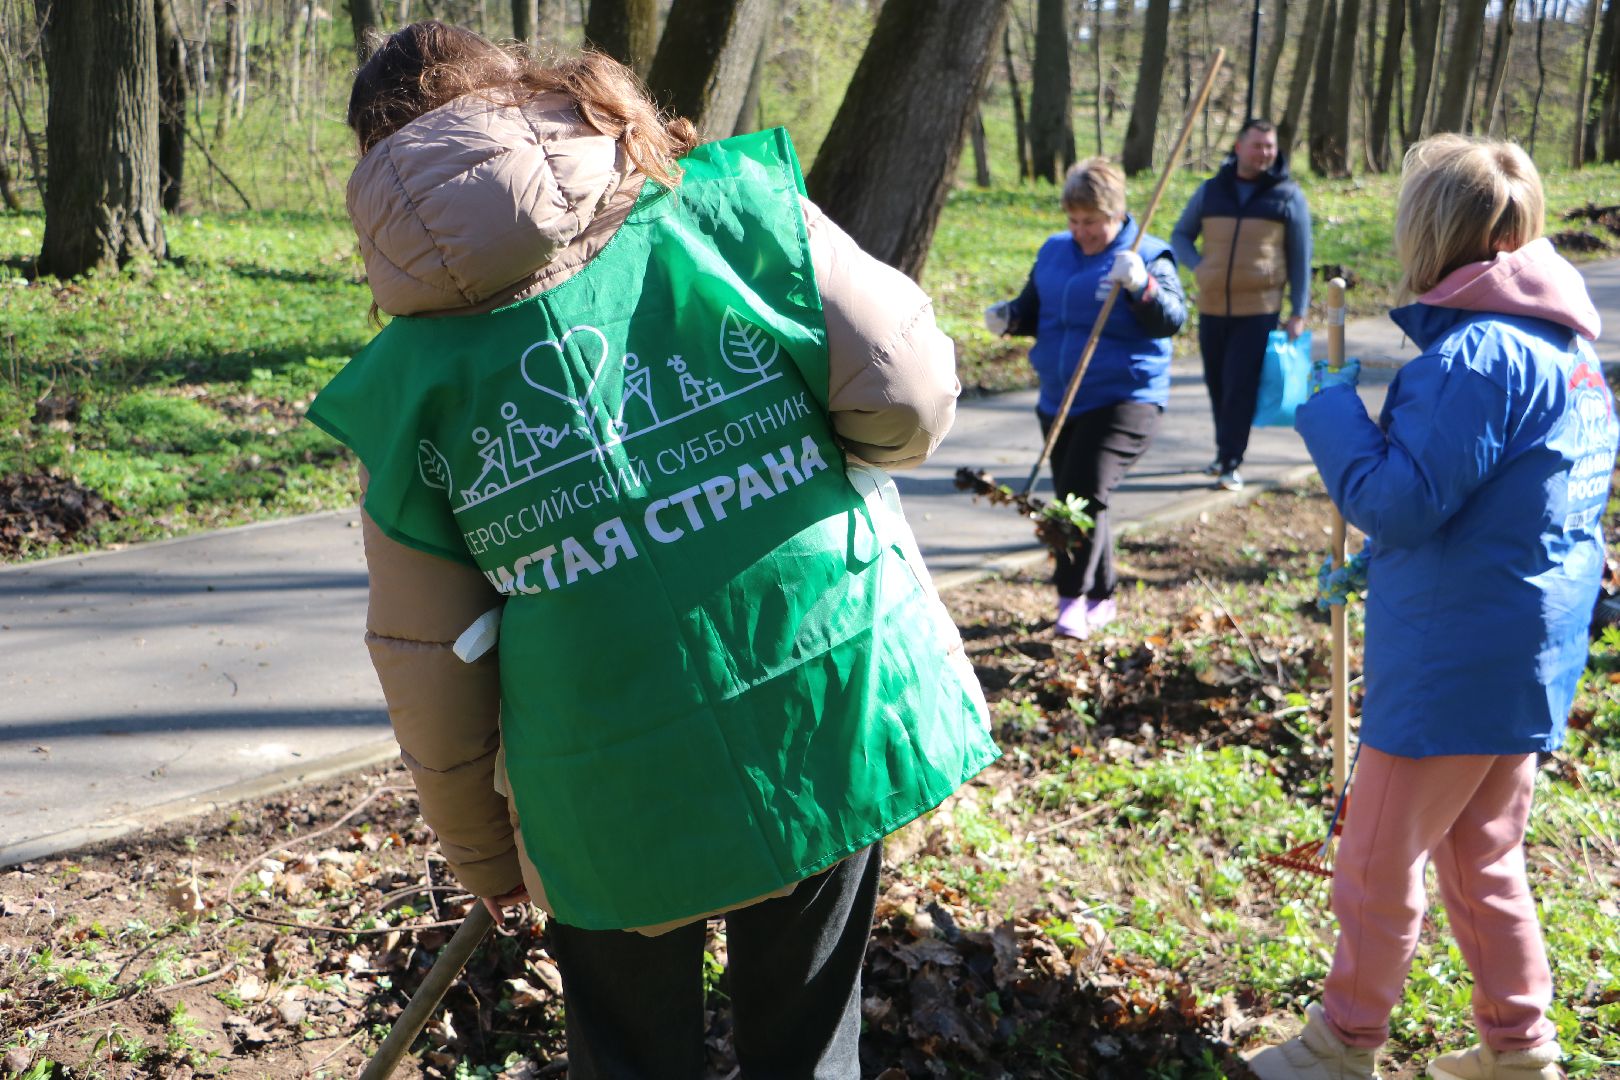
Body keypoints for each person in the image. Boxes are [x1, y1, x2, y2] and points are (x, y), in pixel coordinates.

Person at [305, 21, 999, 1077]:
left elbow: (425, 657)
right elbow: (908, 390)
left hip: (601, 786)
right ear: (521, 89)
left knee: (629, 1056)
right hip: (818, 688)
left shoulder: (408, 390)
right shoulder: (721, 207)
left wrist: (486, 853)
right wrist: (820, 465)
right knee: (810, 1045)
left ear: (376, 175)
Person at [1247, 136, 1612, 1080]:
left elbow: (1401, 500)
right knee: (1481, 854)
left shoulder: (1477, 356)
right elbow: (1512, 507)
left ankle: (1342, 1044)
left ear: (1430, 234)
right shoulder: (1568, 352)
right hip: (1525, 649)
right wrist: (1378, 564)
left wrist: (1327, 410)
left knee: (1376, 858)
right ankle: (1518, 1049)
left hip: (1452, 658)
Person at [984, 158, 1186, 640]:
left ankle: (1070, 598)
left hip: (1126, 398)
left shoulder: (1148, 254)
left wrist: (1142, 287)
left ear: (1116, 214)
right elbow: (1036, 310)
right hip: (1059, 400)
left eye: (1092, 222)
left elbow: (1171, 319)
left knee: (1081, 494)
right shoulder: (1055, 251)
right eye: (1074, 221)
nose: (1081, 232)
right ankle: (1101, 596)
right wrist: (1009, 318)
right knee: (1084, 497)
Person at [1171, 118, 1312, 492]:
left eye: (1270, 146)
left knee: (1239, 386)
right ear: (1238, 147)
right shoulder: (1211, 191)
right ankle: (1223, 454)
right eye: (1258, 145)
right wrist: (1200, 267)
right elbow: (1181, 235)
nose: (1265, 153)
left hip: (1259, 310)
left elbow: (1300, 257)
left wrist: (1298, 311)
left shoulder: (1287, 196)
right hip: (1212, 306)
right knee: (1217, 383)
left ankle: (1231, 461)